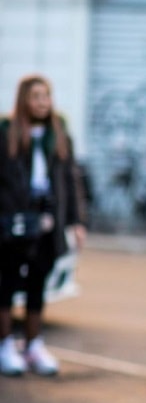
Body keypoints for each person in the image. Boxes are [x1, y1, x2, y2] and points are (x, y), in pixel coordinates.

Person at [0, 75, 86, 375]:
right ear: (24, 100)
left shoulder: (58, 133)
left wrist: (76, 221)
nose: (42, 102)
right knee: (7, 282)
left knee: (39, 281)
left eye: (46, 96)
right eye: (36, 96)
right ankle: (6, 344)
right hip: (14, 221)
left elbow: (71, 180)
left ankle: (33, 344)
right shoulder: (7, 132)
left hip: (48, 220)